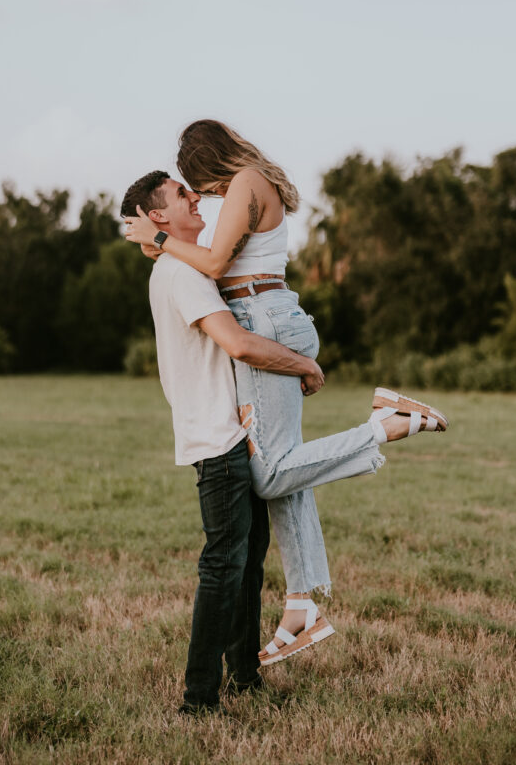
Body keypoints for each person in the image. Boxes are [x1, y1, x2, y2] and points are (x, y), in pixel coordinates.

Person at [123, 122, 450, 667]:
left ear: (207, 159)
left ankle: (386, 424)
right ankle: (300, 605)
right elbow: (200, 262)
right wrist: (163, 247)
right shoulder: (249, 184)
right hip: (268, 313)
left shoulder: (247, 183)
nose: (198, 192)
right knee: (285, 465)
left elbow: (216, 264)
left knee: (270, 472)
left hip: (262, 318)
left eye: (194, 180)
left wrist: (159, 239)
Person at [120, 170, 326, 715]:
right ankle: (198, 698)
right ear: (158, 215)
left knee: (247, 560)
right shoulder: (181, 271)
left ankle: (244, 676)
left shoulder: (178, 266)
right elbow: (237, 343)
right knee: (224, 567)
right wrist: (303, 362)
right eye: (181, 194)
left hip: (228, 434)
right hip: (220, 442)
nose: (196, 198)